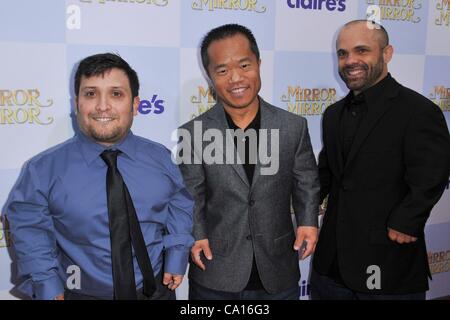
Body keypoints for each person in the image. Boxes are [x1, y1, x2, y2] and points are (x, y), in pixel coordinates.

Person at [5, 53, 194, 300]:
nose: (102, 106)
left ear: (135, 105)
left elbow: (179, 205)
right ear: (77, 104)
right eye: (91, 93)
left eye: (116, 94)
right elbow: (30, 230)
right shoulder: (42, 170)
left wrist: (177, 254)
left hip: (157, 292)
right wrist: (47, 285)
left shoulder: (160, 159)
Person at [177, 24, 320, 300]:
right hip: (215, 272)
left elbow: (307, 183)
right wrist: (197, 234)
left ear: (258, 63)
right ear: (210, 76)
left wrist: (307, 221)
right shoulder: (193, 133)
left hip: (278, 272)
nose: (235, 78)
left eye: (244, 65)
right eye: (222, 70)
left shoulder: (293, 126)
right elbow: (190, 194)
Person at [311, 20, 450, 300]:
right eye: (342, 53)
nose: (350, 61)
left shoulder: (418, 111)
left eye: (362, 51)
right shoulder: (333, 114)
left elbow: (433, 174)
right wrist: (300, 204)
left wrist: (408, 220)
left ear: (387, 53)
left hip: (388, 262)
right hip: (331, 265)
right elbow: (325, 174)